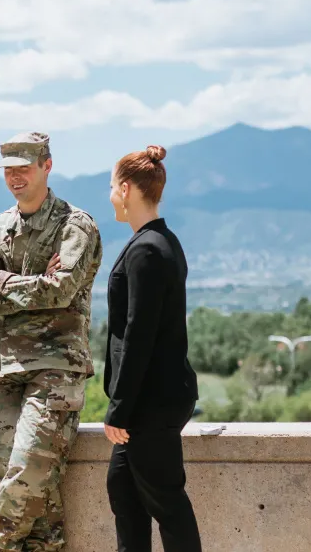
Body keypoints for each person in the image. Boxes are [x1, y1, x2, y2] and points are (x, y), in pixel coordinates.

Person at [0, 132, 104, 552]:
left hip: (56, 369)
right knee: (35, 499)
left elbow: (60, 290)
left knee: (25, 476)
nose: (15, 177)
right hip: (5, 368)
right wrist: (31, 285)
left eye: (24, 167)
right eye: (9, 169)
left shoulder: (74, 226)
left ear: (47, 165)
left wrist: (4, 281)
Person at [102, 145, 202, 552]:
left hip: (150, 403)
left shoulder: (146, 249)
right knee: (123, 492)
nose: (110, 195)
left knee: (168, 504)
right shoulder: (163, 241)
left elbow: (138, 334)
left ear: (126, 189)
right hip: (157, 397)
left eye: (111, 186)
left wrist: (120, 407)